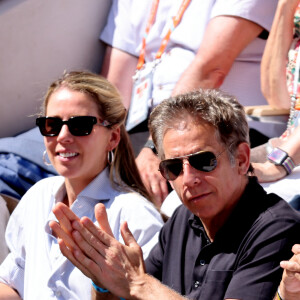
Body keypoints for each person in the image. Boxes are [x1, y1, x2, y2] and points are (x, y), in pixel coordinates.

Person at [52, 89, 300, 300]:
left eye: (204, 161)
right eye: (173, 167)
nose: (188, 179)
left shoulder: (276, 227)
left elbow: (141, 286)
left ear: (243, 159)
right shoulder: (182, 218)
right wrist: (105, 281)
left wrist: (138, 283)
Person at [0, 71, 163, 299]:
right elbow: (12, 283)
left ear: (113, 137)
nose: (63, 136)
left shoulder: (136, 216)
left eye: (81, 125)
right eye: (52, 125)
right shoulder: (38, 195)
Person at [100, 0, 280, 206]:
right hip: (147, 129)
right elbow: (115, 84)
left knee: (140, 196)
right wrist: (104, 147)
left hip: (219, 133)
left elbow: (211, 69)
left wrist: (154, 149)